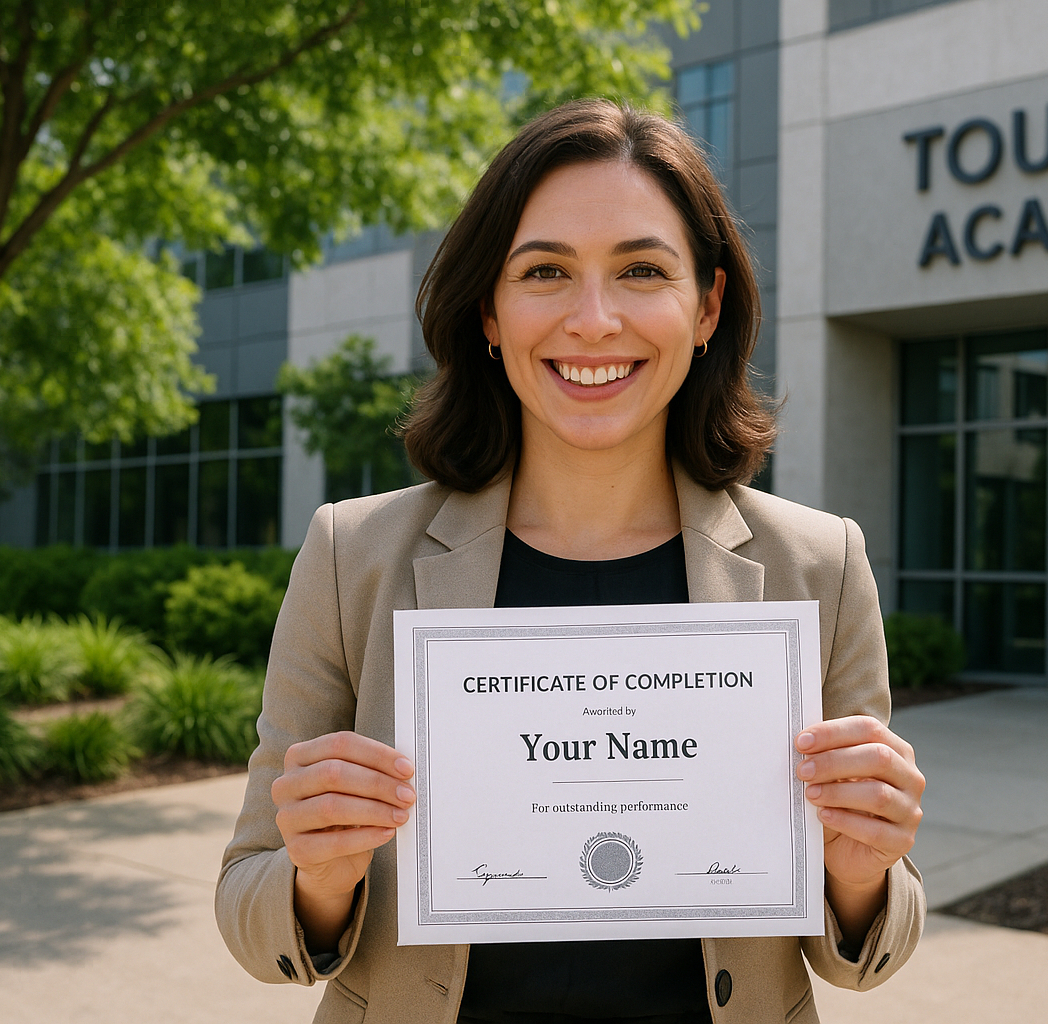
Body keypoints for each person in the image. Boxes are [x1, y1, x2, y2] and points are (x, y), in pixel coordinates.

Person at [217, 99, 927, 1024]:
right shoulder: (354, 556)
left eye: (642, 270)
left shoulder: (819, 565)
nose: (593, 320)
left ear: (707, 305)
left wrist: (862, 871)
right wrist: (319, 879)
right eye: (545, 270)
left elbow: (869, 949)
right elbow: (247, 901)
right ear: (490, 311)